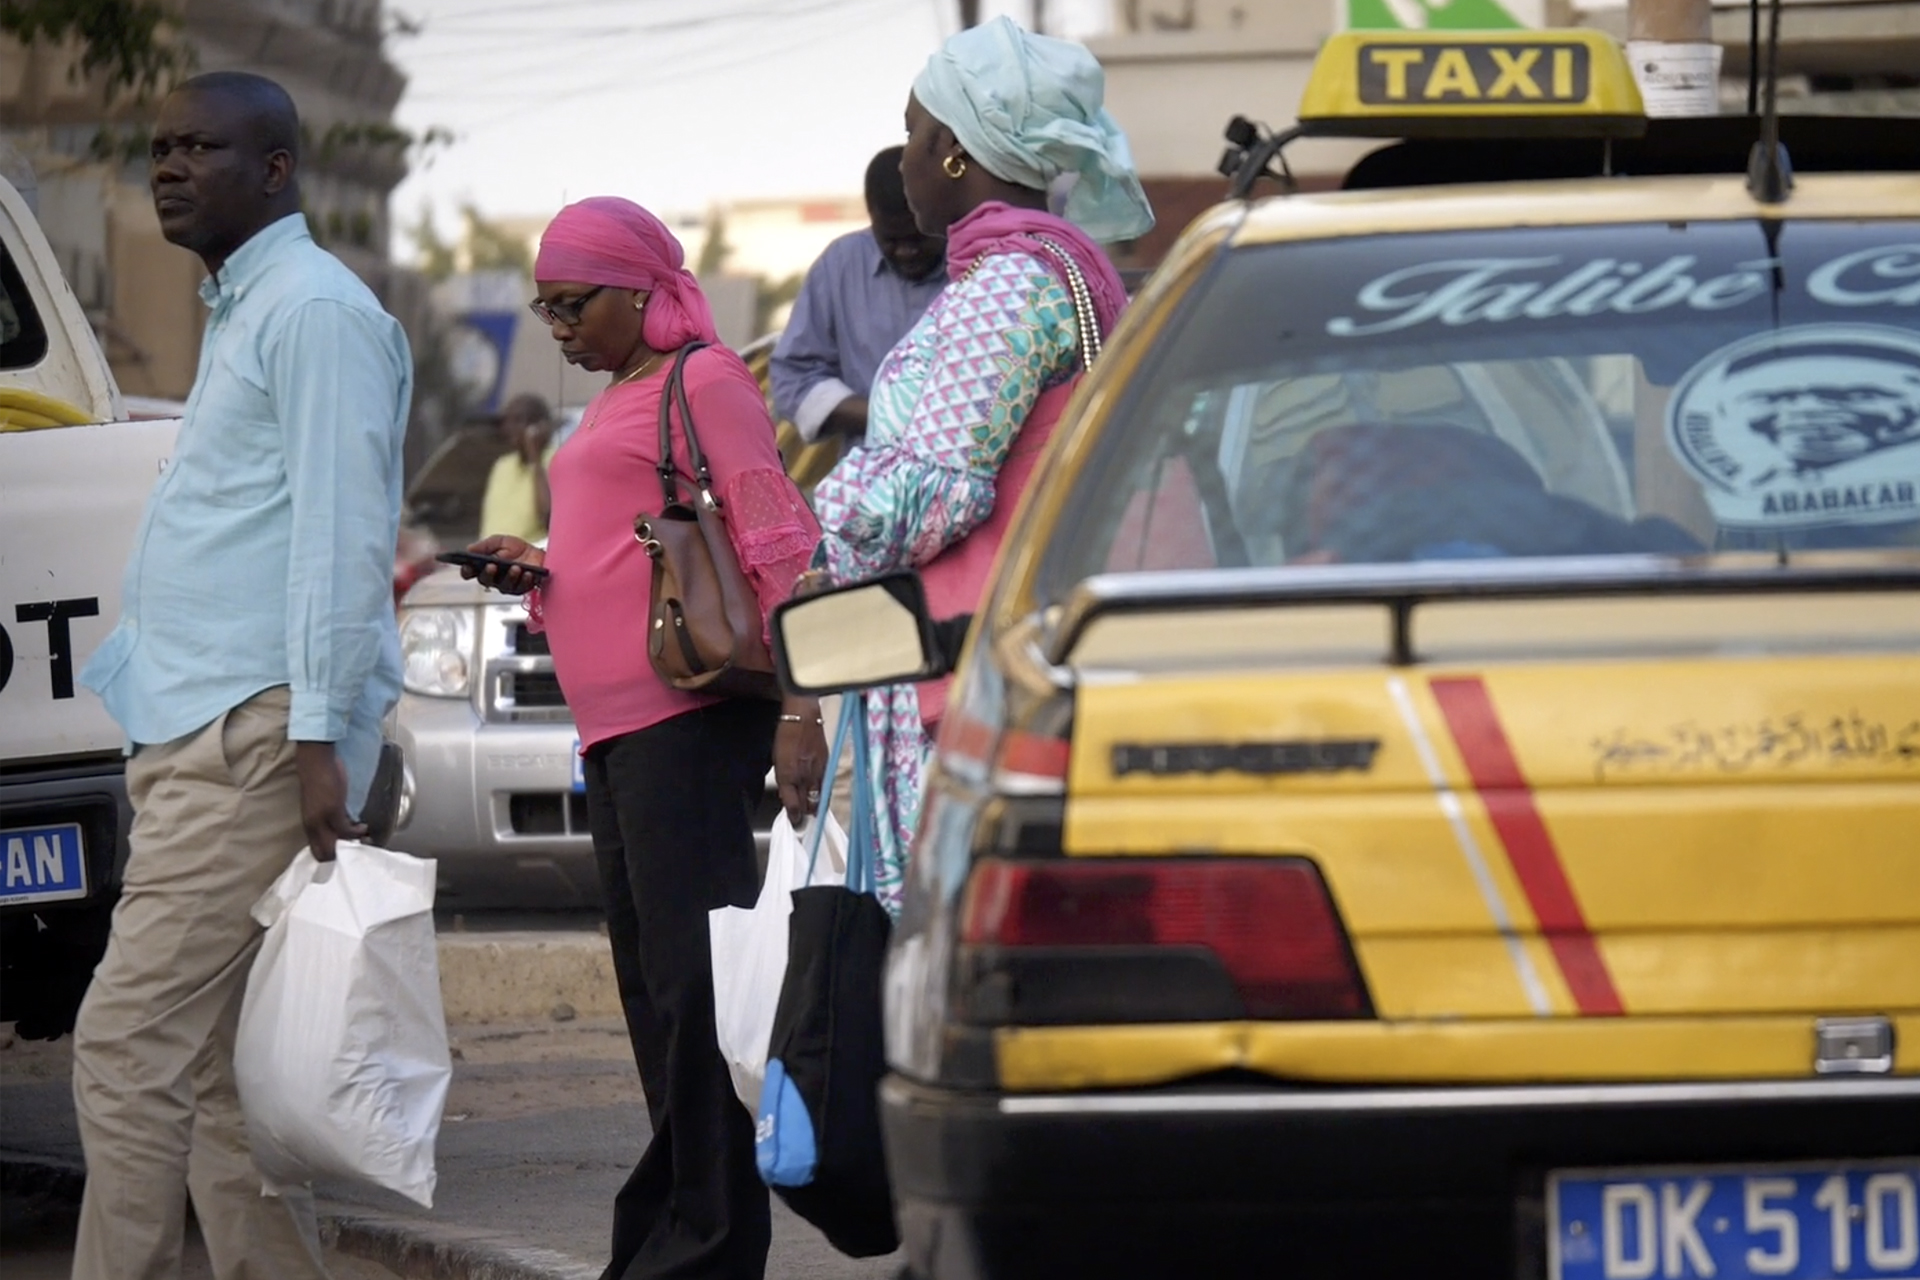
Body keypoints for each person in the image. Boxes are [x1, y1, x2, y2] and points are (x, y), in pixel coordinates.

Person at [71, 71, 411, 1280]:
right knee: (213, 1064)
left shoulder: (312, 311)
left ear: (274, 168)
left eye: (199, 146)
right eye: (159, 146)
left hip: (258, 730)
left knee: (123, 1041)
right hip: (207, 720)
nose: (167, 166)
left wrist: (321, 737)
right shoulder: (247, 307)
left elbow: (339, 538)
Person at [460, 196, 818, 1280]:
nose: (558, 324)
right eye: (545, 306)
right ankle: (681, 1227)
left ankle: (703, 1242)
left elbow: (775, 533)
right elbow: (620, 554)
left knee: (692, 993)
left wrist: (803, 707)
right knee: (655, 991)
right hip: (617, 731)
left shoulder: (702, 378)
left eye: (575, 302)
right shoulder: (617, 396)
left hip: (690, 723)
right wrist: (538, 563)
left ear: (640, 291)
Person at [772, 16, 1153, 914]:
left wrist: (824, 532)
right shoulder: (1056, 267)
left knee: (955, 935)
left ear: (952, 149)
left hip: (969, 664)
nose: (902, 157)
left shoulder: (1013, 284)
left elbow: (933, 485)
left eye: (912, 132)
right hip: (1012, 648)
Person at [769, 145, 948, 449]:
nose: (906, 251)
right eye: (890, 240)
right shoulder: (840, 265)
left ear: (938, 214)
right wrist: (884, 418)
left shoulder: (983, 263)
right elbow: (792, 378)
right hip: (871, 480)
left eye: (917, 239)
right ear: (872, 218)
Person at [477, 391, 559, 543]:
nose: (509, 427)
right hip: (493, 558)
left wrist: (535, 458)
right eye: (507, 421)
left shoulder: (557, 460)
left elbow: (549, 518)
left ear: (539, 425)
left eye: (518, 420)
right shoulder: (502, 465)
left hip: (529, 558)